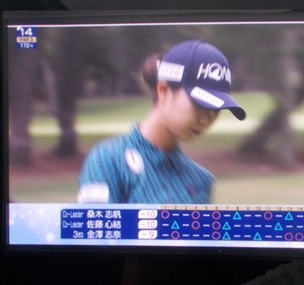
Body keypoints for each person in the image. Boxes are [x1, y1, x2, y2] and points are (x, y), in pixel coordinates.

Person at [77, 40, 246, 204]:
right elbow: (93, 223)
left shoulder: (201, 181)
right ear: (163, 91)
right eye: (200, 104)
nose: (205, 120)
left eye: (215, 110)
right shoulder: (108, 160)